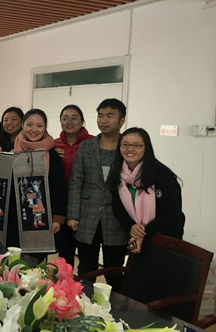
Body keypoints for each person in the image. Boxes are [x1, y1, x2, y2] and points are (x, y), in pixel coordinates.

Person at [67, 98, 129, 292]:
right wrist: (73, 215)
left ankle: (116, 307)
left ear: (121, 121)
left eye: (110, 116)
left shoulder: (127, 148)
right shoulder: (86, 147)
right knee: (86, 269)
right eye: (100, 115)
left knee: (114, 270)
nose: (103, 120)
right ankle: (83, 303)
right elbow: (76, 182)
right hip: (87, 216)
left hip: (117, 219)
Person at [109, 127, 185, 253]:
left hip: (162, 236)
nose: (130, 149)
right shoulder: (117, 172)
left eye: (137, 145)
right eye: (125, 144)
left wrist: (142, 233)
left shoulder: (162, 175)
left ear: (146, 148)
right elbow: (117, 207)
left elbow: (172, 213)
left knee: (159, 266)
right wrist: (132, 226)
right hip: (134, 235)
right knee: (135, 263)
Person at [5, 109, 67, 258]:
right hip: (13, 218)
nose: (34, 130)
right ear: (23, 125)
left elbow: (59, 188)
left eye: (39, 126)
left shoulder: (52, 154)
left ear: (45, 127)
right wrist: (7, 160)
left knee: (36, 263)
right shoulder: (11, 149)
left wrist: (58, 218)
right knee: (11, 261)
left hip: (41, 217)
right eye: (29, 125)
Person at [54, 105, 94, 267]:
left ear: (82, 121)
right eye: (65, 118)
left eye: (74, 118)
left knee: (86, 252)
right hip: (62, 202)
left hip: (86, 203)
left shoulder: (93, 143)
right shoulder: (53, 144)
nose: (69, 122)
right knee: (65, 250)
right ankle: (66, 280)